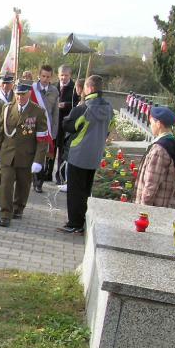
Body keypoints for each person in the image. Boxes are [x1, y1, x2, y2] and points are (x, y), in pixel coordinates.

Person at [57, 75, 113, 234]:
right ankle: (82, 222)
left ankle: (74, 223)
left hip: (78, 154)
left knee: (75, 191)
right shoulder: (109, 108)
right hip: (95, 155)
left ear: (90, 89)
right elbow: (109, 128)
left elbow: (68, 125)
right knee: (86, 191)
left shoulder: (84, 108)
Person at [0, 79, 47, 226]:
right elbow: (0, 133)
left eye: (23, 94)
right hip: (7, 154)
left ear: (29, 93)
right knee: (6, 185)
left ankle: (18, 208)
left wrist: (38, 160)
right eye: (17, 94)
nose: (19, 97)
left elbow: (42, 139)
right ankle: (5, 214)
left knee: (23, 186)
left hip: (26, 156)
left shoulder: (38, 111)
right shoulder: (7, 108)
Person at [134, 106, 175, 208]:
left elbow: (151, 184)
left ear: (158, 124)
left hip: (151, 208)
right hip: (161, 203)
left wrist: (143, 209)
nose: (150, 125)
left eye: (151, 123)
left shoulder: (159, 150)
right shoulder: (170, 142)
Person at [31, 65, 59, 192]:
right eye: (43, 76)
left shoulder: (54, 91)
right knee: (30, 154)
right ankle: (30, 179)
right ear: (39, 75)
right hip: (32, 127)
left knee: (42, 155)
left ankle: (38, 183)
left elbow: (55, 113)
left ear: (51, 77)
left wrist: (53, 132)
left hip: (46, 128)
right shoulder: (32, 89)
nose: (45, 79)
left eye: (48, 77)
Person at [55, 65, 79, 183]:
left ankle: (60, 175)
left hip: (66, 124)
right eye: (61, 75)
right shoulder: (54, 86)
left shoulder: (74, 88)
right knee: (51, 149)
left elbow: (77, 104)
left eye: (66, 75)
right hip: (54, 123)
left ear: (70, 75)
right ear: (58, 75)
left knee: (62, 151)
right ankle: (47, 173)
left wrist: (66, 105)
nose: (63, 78)